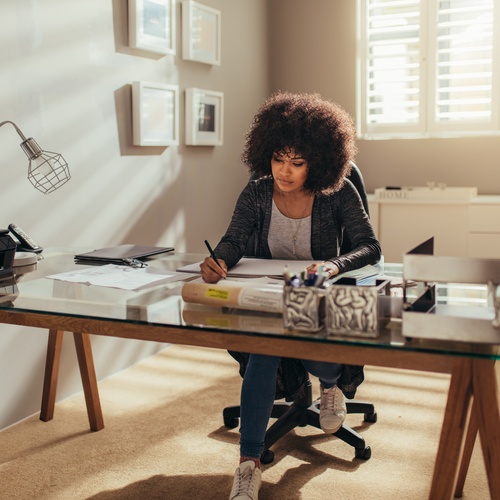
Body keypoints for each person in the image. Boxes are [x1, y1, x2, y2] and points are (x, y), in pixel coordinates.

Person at [199, 91, 381, 500]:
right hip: (271, 296)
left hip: (317, 296)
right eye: (278, 159)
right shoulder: (259, 192)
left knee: (305, 338)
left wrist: (334, 264)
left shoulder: (337, 193)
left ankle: (329, 386)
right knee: (265, 346)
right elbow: (233, 239)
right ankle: (248, 466)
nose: (285, 170)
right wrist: (219, 262)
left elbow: (370, 246)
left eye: (297, 163)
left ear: (318, 161)